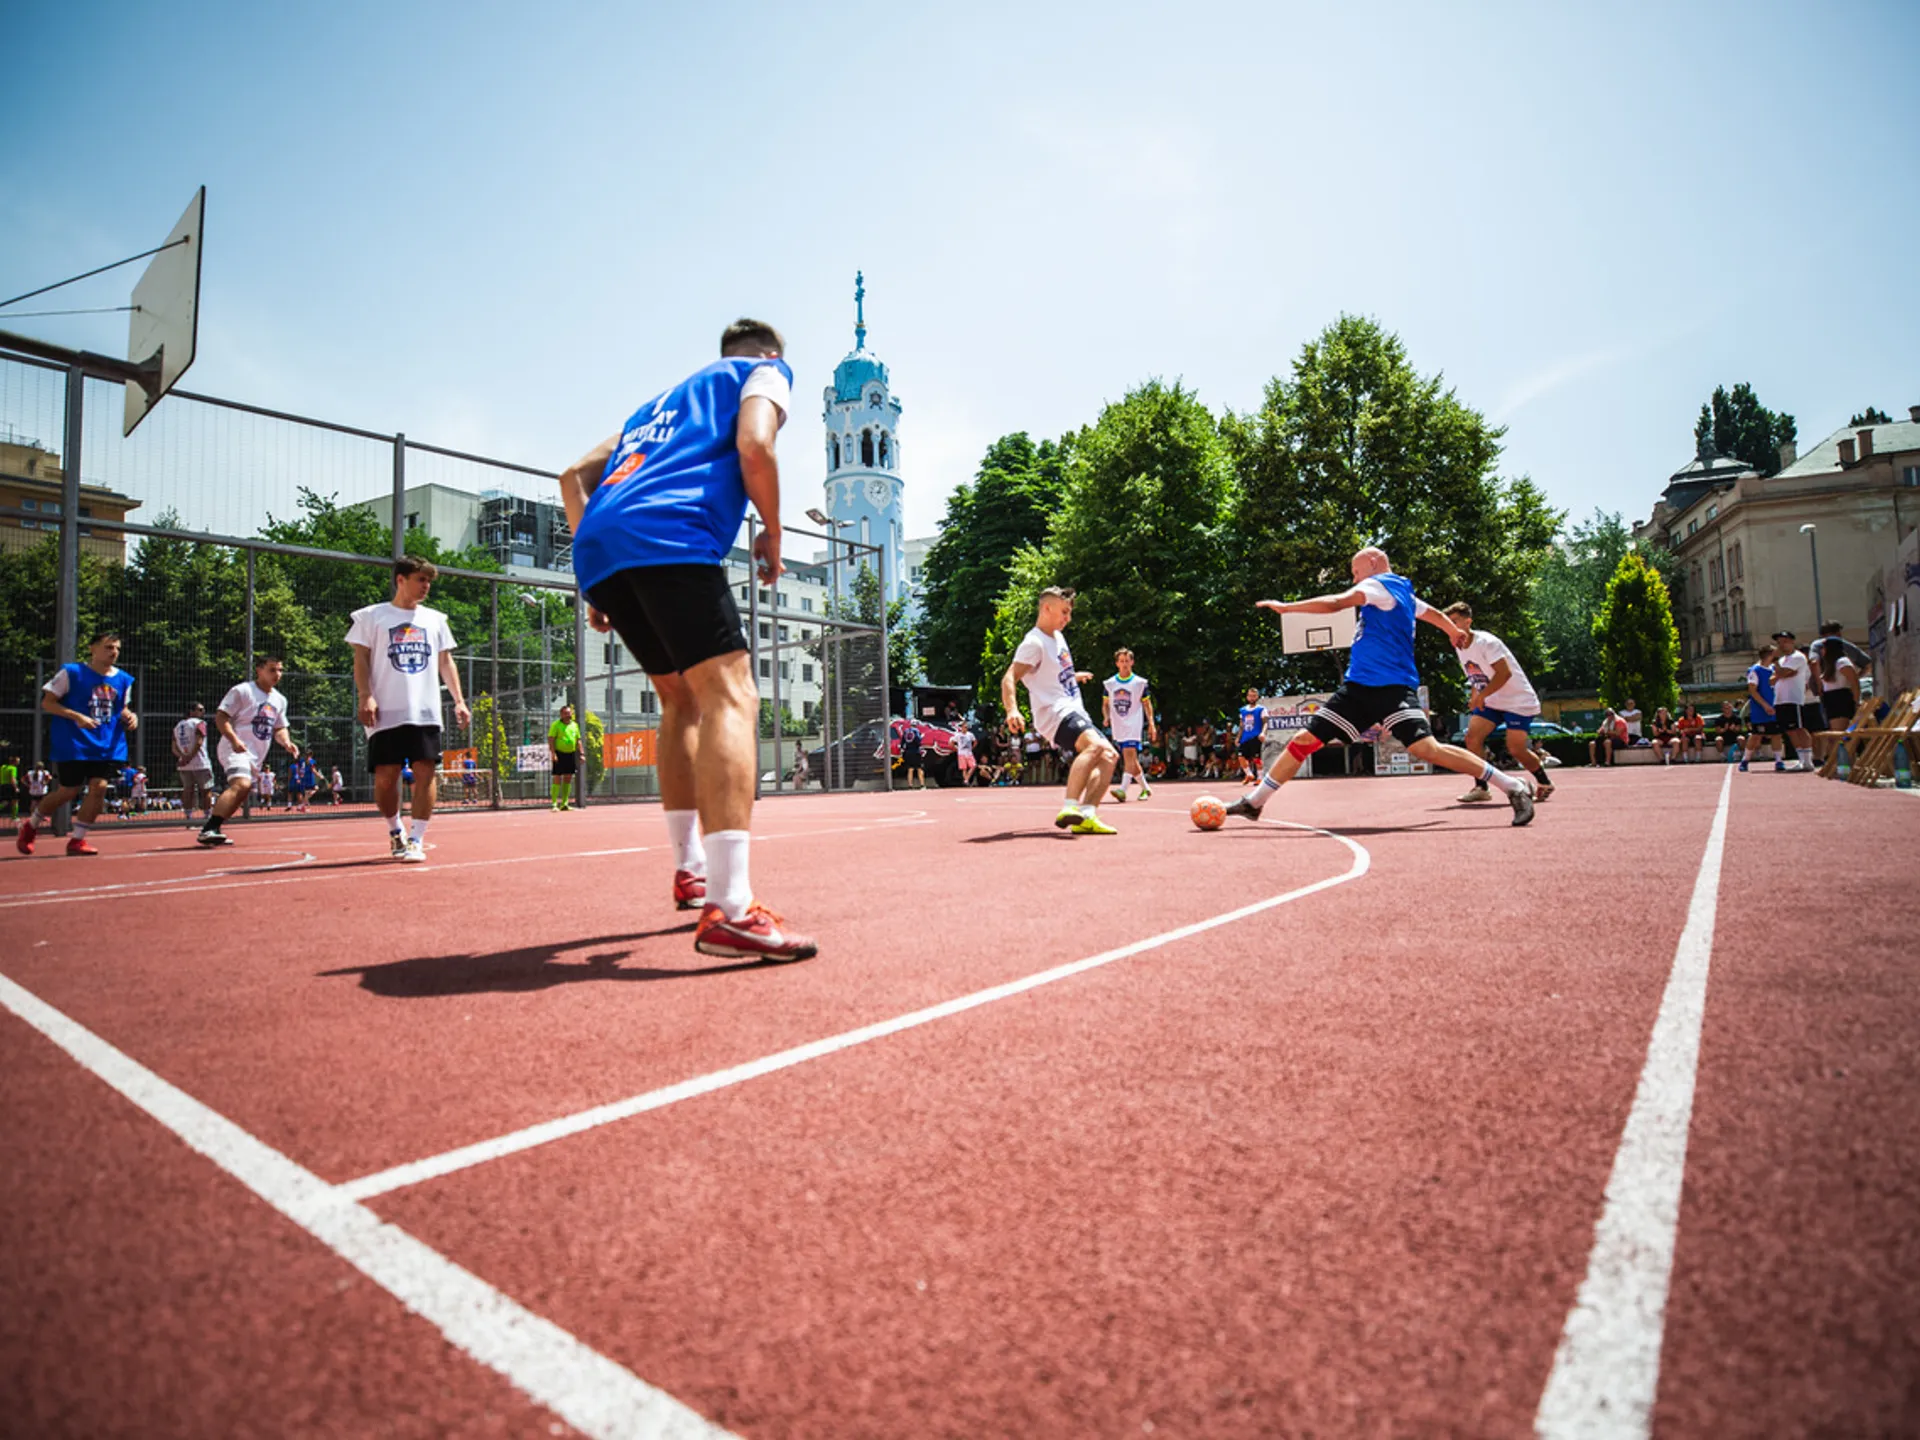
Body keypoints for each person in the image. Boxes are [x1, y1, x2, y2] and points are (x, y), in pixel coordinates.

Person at [557, 317, 814, 961]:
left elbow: (571, 477)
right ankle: (731, 908)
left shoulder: (657, 407)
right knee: (733, 696)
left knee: (680, 700)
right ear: (773, 355)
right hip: (670, 533)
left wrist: (599, 575)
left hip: (602, 544)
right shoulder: (764, 372)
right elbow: (755, 446)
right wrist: (773, 534)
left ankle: (690, 868)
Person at [1227, 548, 1535, 826]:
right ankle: (1255, 803)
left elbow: (1338, 602)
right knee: (1303, 739)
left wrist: (1287, 608)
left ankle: (1513, 786)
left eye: (1355, 571)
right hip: (1359, 688)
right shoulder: (1403, 593)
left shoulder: (1378, 584)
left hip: (1392, 689)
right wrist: (1453, 631)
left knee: (1427, 749)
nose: (1354, 578)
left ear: (1373, 563)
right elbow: (1432, 614)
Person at [347, 555, 472, 863]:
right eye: (420, 579)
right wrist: (366, 695)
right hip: (385, 710)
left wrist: (459, 700)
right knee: (386, 777)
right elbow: (360, 659)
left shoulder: (435, 619)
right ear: (400, 580)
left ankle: (416, 838)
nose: (426, 586)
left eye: (428, 581)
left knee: (425, 771)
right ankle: (395, 831)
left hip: (425, 710)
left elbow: (446, 661)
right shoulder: (370, 617)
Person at [1001, 585, 1121, 834]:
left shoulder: (1057, 636)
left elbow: (1050, 675)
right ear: (1047, 608)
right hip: (1053, 711)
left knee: (1110, 756)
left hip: (1072, 707)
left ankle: (1087, 815)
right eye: (1064, 612)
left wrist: (1073, 677)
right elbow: (1010, 677)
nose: (1068, 618)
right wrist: (1012, 709)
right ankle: (1069, 806)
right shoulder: (1034, 642)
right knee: (1095, 747)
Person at [17, 631, 139, 857]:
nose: (114, 652)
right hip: (74, 743)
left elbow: (120, 707)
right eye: (108, 647)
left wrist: (130, 716)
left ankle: (78, 840)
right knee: (67, 791)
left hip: (108, 744)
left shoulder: (123, 679)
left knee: (99, 787)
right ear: (92, 648)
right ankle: (31, 825)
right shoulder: (72, 673)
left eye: (117, 648)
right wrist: (78, 717)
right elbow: (48, 703)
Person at [1443, 602, 1555, 803]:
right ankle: (1481, 788)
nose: (1451, 626)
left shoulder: (1487, 642)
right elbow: (1476, 673)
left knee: (1516, 749)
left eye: (1455, 622)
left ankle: (1544, 782)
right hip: (1493, 700)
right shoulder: (1459, 646)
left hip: (1518, 701)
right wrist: (1475, 696)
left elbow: (1504, 674)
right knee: (1472, 738)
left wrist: (1482, 695)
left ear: (1468, 622)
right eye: (1447, 623)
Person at [197, 657, 299, 847]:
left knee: (242, 793)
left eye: (280, 670)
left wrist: (287, 742)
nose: (277, 675)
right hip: (234, 748)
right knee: (241, 784)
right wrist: (234, 740)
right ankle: (209, 828)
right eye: (272, 670)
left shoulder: (279, 699)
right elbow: (221, 718)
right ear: (259, 670)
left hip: (256, 755)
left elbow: (279, 728)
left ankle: (216, 829)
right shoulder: (243, 691)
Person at [1103, 648, 1157, 802]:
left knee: (1128, 755)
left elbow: (1147, 705)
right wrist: (1106, 717)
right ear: (1117, 663)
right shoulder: (1109, 683)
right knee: (1131, 759)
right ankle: (1146, 788)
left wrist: (1151, 724)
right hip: (1118, 724)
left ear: (1132, 662)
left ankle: (1123, 789)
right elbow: (1105, 704)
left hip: (1134, 722)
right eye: (1121, 661)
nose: (1124, 664)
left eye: (1127, 661)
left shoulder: (1140, 683)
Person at [1767, 630, 1816, 773]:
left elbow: (1781, 673)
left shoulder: (1798, 657)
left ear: (1792, 642)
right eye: (1779, 642)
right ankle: (1801, 759)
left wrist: (1779, 670)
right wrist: (1781, 673)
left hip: (1794, 698)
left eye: (1785, 641)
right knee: (1790, 730)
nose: (1782, 644)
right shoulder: (1782, 661)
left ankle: (1808, 760)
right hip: (1780, 698)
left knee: (1799, 728)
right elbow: (1773, 679)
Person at [1739, 643, 1784, 771]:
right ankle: (1745, 760)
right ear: (1769, 655)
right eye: (1775, 653)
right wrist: (1765, 705)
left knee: (1776, 734)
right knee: (1756, 735)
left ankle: (1778, 760)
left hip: (1775, 707)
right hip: (1760, 709)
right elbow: (1753, 691)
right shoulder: (1755, 670)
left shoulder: (1773, 669)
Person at [172, 701, 215, 825]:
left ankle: (188, 816)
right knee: (206, 790)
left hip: (183, 764)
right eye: (200, 709)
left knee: (187, 790)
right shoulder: (200, 723)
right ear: (192, 711)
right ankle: (207, 815)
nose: (203, 712)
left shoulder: (178, 726)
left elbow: (174, 747)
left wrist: (183, 757)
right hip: (200, 762)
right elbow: (199, 742)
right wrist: (190, 756)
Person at [548, 703, 581, 811]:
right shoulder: (556, 725)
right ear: (561, 715)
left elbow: (578, 740)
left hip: (570, 754)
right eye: (566, 713)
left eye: (569, 713)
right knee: (557, 777)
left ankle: (564, 803)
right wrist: (553, 753)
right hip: (559, 753)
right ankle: (554, 804)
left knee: (568, 777)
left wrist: (581, 753)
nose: (568, 715)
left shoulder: (574, 725)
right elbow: (551, 739)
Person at [1234, 688, 1267, 783]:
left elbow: (1265, 723)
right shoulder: (1243, 710)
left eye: (1254, 696)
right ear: (1247, 697)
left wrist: (1263, 732)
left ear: (1257, 697)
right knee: (1240, 756)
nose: (1252, 698)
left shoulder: (1261, 709)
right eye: (1250, 696)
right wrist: (1238, 737)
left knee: (1256, 758)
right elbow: (1241, 725)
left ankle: (1260, 778)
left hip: (1255, 736)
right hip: (1245, 737)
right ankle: (1249, 774)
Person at [899, 717, 925, 790]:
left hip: (908, 752)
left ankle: (910, 785)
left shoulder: (906, 731)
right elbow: (919, 741)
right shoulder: (916, 731)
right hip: (916, 751)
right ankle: (922, 785)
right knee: (919, 768)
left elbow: (902, 743)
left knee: (910, 769)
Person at [951, 719, 975, 786]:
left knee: (973, 766)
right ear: (961, 728)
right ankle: (966, 781)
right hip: (961, 753)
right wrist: (956, 748)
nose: (965, 728)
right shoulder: (958, 735)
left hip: (969, 753)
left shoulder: (970, 735)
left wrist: (972, 748)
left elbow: (975, 741)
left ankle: (966, 779)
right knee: (964, 768)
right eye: (964, 727)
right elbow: (951, 742)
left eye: (966, 727)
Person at [0, 754, 18, 828]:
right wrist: (15, 787)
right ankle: (14, 816)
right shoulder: (13, 768)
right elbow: (12, 778)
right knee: (15, 801)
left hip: (3, 785)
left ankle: (14, 816)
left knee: (5, 801)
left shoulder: (3, 767)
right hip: (10, 786)